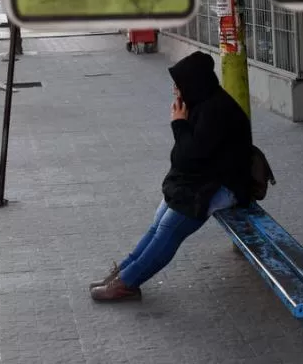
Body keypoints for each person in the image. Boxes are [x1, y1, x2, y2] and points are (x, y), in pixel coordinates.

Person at [90, 51, 253, 302]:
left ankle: (128, 282)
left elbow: (189, 156)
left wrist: (179, 124)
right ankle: (124, 270)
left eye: (179, 86)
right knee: (159, 219)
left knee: (170, 227)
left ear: (194, 83)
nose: (176, 92)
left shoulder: (217, 111)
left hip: (227, 185)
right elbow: (183, 157)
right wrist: (182, 124)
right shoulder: (201, 104)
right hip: (203, 177)